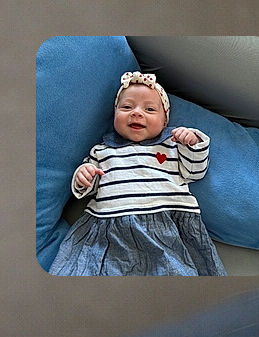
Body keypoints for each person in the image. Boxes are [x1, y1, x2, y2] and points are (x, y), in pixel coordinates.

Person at [48, 71, 226, 276]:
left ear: (165, 121)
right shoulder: (102, 151)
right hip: (109, 228)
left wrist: (192, 142)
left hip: (166, 226)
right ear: (115, 114)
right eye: (127, 107)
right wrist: (84, 175)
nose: (137, 113)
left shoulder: (172, 145)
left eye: (149, 109)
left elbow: (196, 171)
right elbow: (89, 187)